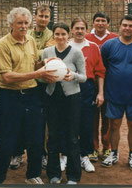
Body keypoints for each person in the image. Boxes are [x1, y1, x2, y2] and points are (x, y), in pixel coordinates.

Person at [0, 7, 57, 184]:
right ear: (11, 24)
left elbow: (33, 64)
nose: (24, 26)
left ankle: (32, 175)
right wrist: (38, 74)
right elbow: (7, 76)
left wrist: (45, 64)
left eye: (26, 23)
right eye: (20, 23)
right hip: (9, 97)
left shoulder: (31, 41)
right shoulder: (3, 44)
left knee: (36, 138)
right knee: (6, 140)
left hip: (32, 95)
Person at [100, 15, 132, 171]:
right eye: (125, 25)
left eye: (131, 25)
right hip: (114, 94)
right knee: (114, 125)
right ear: (119, 26)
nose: (127, 28)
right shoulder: (109, 45)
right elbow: (103, 67)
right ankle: (114, 153)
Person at [10, 4, 53, 170]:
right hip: (24, 81)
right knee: (19, 120)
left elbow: (48, 53)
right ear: (35, 17)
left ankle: (42, 154)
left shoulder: (52, 33)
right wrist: (42, 51)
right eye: (40, 16)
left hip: (43, 84)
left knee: (41, 123)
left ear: (49, 19)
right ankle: (17, 153)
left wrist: (38, 51)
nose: (43, 19)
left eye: (46, 16)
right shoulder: (25, 31)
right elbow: (41, 52)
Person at [42, 22, 86, 184]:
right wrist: (45, 76)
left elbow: (83, 76)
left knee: (72, 137)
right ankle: (54, 174)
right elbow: (41, 76)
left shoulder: (76, 53)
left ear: (69, 35)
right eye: (57, 34)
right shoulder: (47, 52)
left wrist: (71, 75)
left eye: (63, 34)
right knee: (53, 136)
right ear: (53, 35)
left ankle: (73, 176)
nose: (60, 37)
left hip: (72, 99)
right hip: (52, 98)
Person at [69, 17, 105, 173]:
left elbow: (100, 72)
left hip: (87, 88)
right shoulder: (65, 46)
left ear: (86, 30)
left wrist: (101, 93)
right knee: (69, 122)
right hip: (68, 87)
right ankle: (67, 155)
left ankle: (84, 156)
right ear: (71, 30)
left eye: (82, 28)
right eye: (76, 28)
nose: (79, 31)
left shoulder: (93, 47)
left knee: (86, 123)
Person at [85, 12, 118, 162]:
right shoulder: (86, 38)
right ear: (93, 23)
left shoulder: (115, 37)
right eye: (97, 21)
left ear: (108, 24)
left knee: (108, 118)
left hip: (110, 83)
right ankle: (92, 148)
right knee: (91, 118)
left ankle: (107, 147)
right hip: (91, 83)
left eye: (103, 21)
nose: (100, 23)